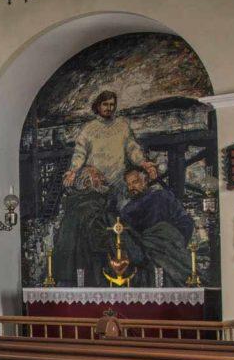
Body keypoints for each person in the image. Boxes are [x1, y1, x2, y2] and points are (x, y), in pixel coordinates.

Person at [53, 90, 160, 286]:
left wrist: (144, 163)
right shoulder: (89, 129)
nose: (109, 108)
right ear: (97, 106)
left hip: (119, 182)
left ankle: (131, 272)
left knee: (123, 227)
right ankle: (100, 272)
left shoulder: (122, 126)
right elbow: (79, 152)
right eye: (105, 104)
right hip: (98, 185)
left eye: (112, 104)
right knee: (99, 227)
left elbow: (132, 148)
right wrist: (73, 171)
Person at [119, 167, 194, 286]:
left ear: (145, 180)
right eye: (129, 184)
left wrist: (171, 239)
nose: (131, 187)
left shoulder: (162, 197)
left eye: (135, 182)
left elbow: (185, 221)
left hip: (169, 254)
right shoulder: (126, 210)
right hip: (143, 261)